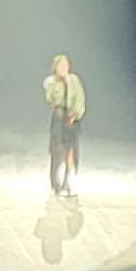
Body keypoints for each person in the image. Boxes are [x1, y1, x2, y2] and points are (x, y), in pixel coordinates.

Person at [42, 51, 87, 196]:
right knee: (57, 152)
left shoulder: (74, 80)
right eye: (60, 65)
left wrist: (75, 114)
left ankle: (68, 183)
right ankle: (56, 184)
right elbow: (52, 99)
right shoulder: (51, 82)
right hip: (59, 118)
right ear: (55, 67)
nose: (63, 67)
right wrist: (61, 82)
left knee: (71, 152)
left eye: (65, 65)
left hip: (73, 119)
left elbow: (80, 98)